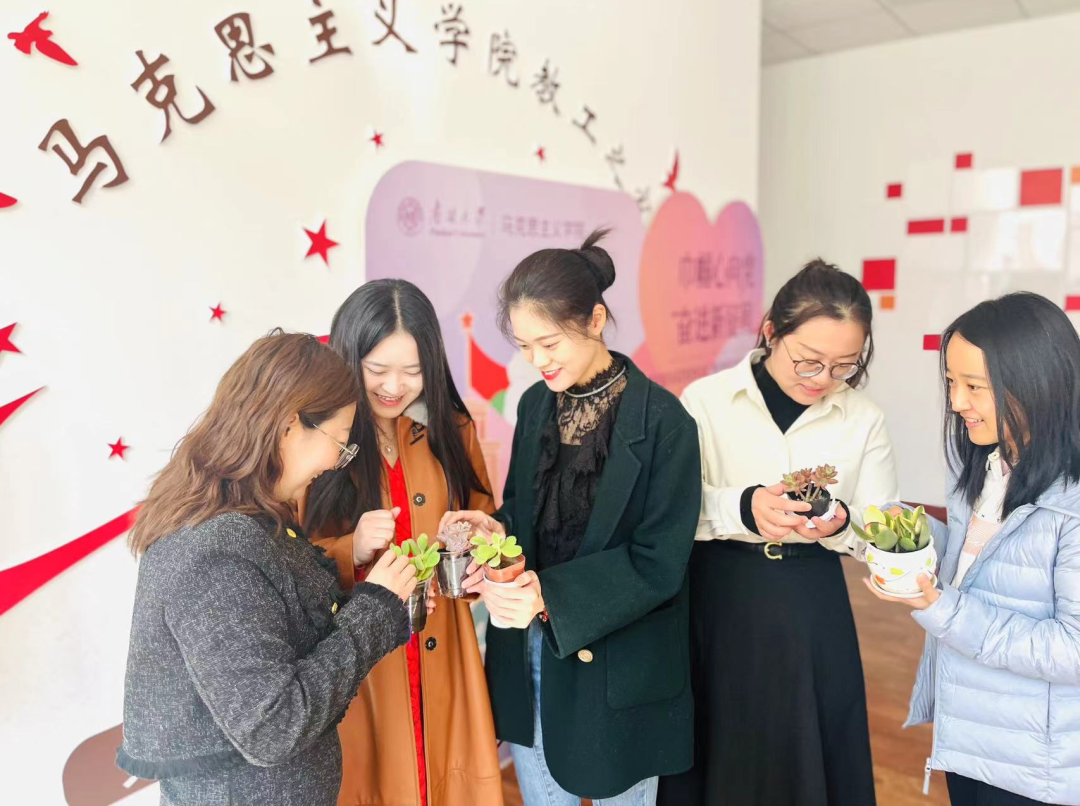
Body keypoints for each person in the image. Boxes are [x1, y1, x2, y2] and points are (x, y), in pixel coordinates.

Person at [443, 229, 702, 806]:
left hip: (620, 667)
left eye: (549, 343)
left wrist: (549, 596)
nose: (536, 361)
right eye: (524, 345)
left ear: (595, 320)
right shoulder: (536, 404)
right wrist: (495, 529)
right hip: (532, 654)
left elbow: (659, 563)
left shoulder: (665, 423)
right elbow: (525, 511)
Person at [117, 330, 417, 806]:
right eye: (339, 443)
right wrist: (376, 609)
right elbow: (272, 727)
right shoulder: (214, 550)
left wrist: (377, 591)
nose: (335, 463)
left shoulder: (246, 517)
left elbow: (273, 623)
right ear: (289, 426)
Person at [660, 259, 897, 806]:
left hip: (811, 600)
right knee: (720, 743)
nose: (822, 379)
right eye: (808, 360)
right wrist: (743, 507)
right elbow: (671, 509)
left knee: (810, 744)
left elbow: (881, 529)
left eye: (844, 366)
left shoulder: (863, 419)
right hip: (719, 594)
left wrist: (842, 525)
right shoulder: (706, 401)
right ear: (771, 330)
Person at [866, 293, 1080, 806]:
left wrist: (942, 609)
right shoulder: (987, 464)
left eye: (975, 386)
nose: (957, 401)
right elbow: (981, 566)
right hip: (971, 738)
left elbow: (1071, 650)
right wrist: (902, 535)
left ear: (1037, 383)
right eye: (950, 382)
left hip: (1039, 765)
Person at [303, 280, 503, 806]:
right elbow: (292, 560)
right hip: (363, 662)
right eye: (378, 370)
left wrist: (479, 545)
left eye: (413, 371)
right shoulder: (321, 436)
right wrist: (352, 549)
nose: (395, 386)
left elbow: (484, 517)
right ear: (349, 359)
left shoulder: (451, 428)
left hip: (447, 645)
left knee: (450, 781)